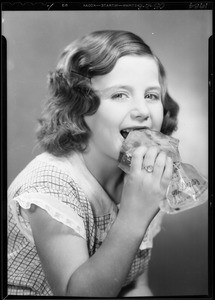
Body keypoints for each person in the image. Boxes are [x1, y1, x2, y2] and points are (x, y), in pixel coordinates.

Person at [7, 30, 179, 297]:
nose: (143, 111)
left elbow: (133, 285)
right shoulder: (50, 185)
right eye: (120, 95)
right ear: (80, 107)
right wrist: (134, 216)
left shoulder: (144, 176)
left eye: (152, 96)